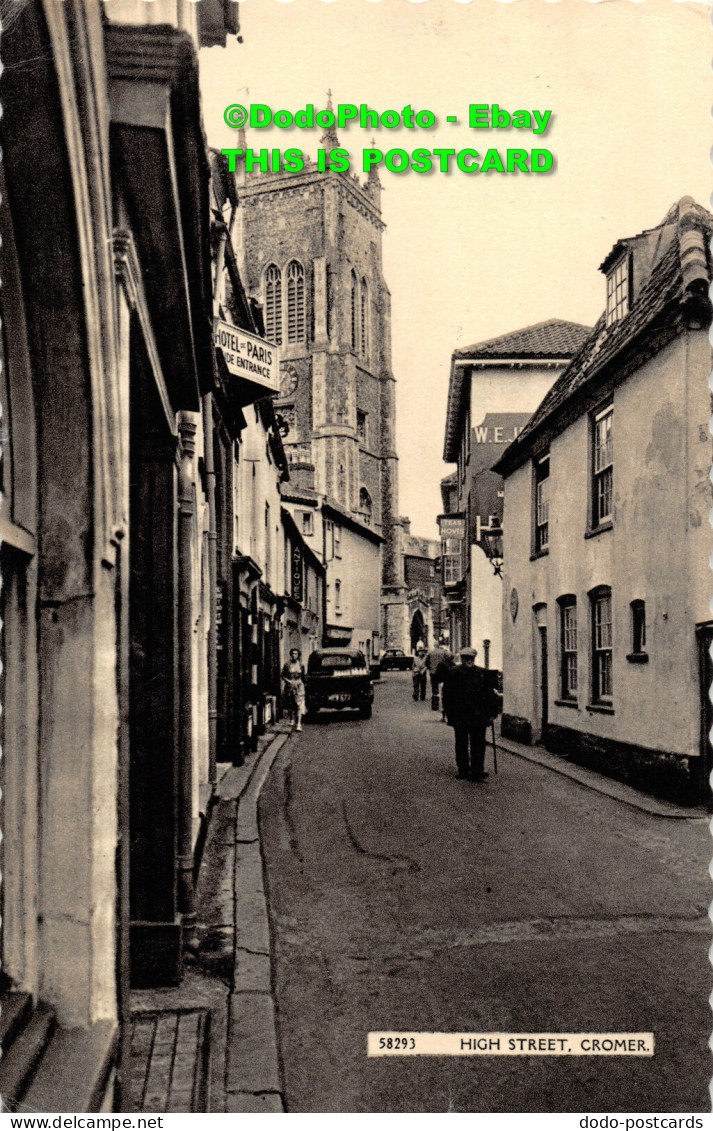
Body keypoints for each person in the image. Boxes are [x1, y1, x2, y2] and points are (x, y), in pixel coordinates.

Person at [442, 646, 497, 781]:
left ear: (474, 659)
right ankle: (463, 770)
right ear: (462, 659)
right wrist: (449, 713)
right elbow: (447, 695)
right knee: (461, 743)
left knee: (478, 743)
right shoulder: (454, 673)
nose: (469, 661)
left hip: (479, 716)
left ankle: (477, 770)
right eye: (466, 658)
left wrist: (492, 713)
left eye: (471, 658)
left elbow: (490, 695)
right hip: (460, 716)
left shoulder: (482, 673)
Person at [281, 647, 306, 731]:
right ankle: (291, 718)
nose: (294, 655)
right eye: (293, 654)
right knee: (290, 704)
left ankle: (298, 724)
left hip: (299, 686)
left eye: (296, 654)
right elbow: (283, 676)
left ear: (298, 655)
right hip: (290, 686)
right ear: (291, 655)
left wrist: (303, 685)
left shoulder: (301, 665)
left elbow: (303, 677)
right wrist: (289, 681)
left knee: (299, 704)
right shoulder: (287, 664)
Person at [433, 649, 456, 720]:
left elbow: (437, 675)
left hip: (442, 683)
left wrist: (436, 684)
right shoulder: (453, 665)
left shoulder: (441, 664)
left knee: (443, 698)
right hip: (451, 684)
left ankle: (443, 715)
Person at [425, 642, 448, 710]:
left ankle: (435, 704)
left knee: (434, 689)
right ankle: (443, 701)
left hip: (433, 673)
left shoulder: (430, 653)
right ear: (439, 646)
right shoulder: (443, 653)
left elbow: (426, 662)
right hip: (442, 673)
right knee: (443, 687)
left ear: (434, 646)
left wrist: (430, 668)